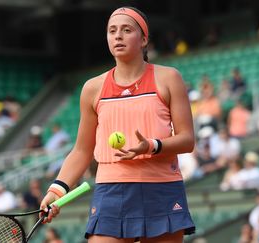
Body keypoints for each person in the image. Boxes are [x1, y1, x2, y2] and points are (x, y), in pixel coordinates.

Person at [40, 7, 195, 242]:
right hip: (111, 189)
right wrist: (57, 189)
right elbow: (82, 150)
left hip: (161, 187)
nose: (118, 36)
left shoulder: (169, 78)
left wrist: (151, 145)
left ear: (144, 39)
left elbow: (187, 140)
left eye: (126, 30)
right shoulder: (92, 88)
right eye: (112, 31)